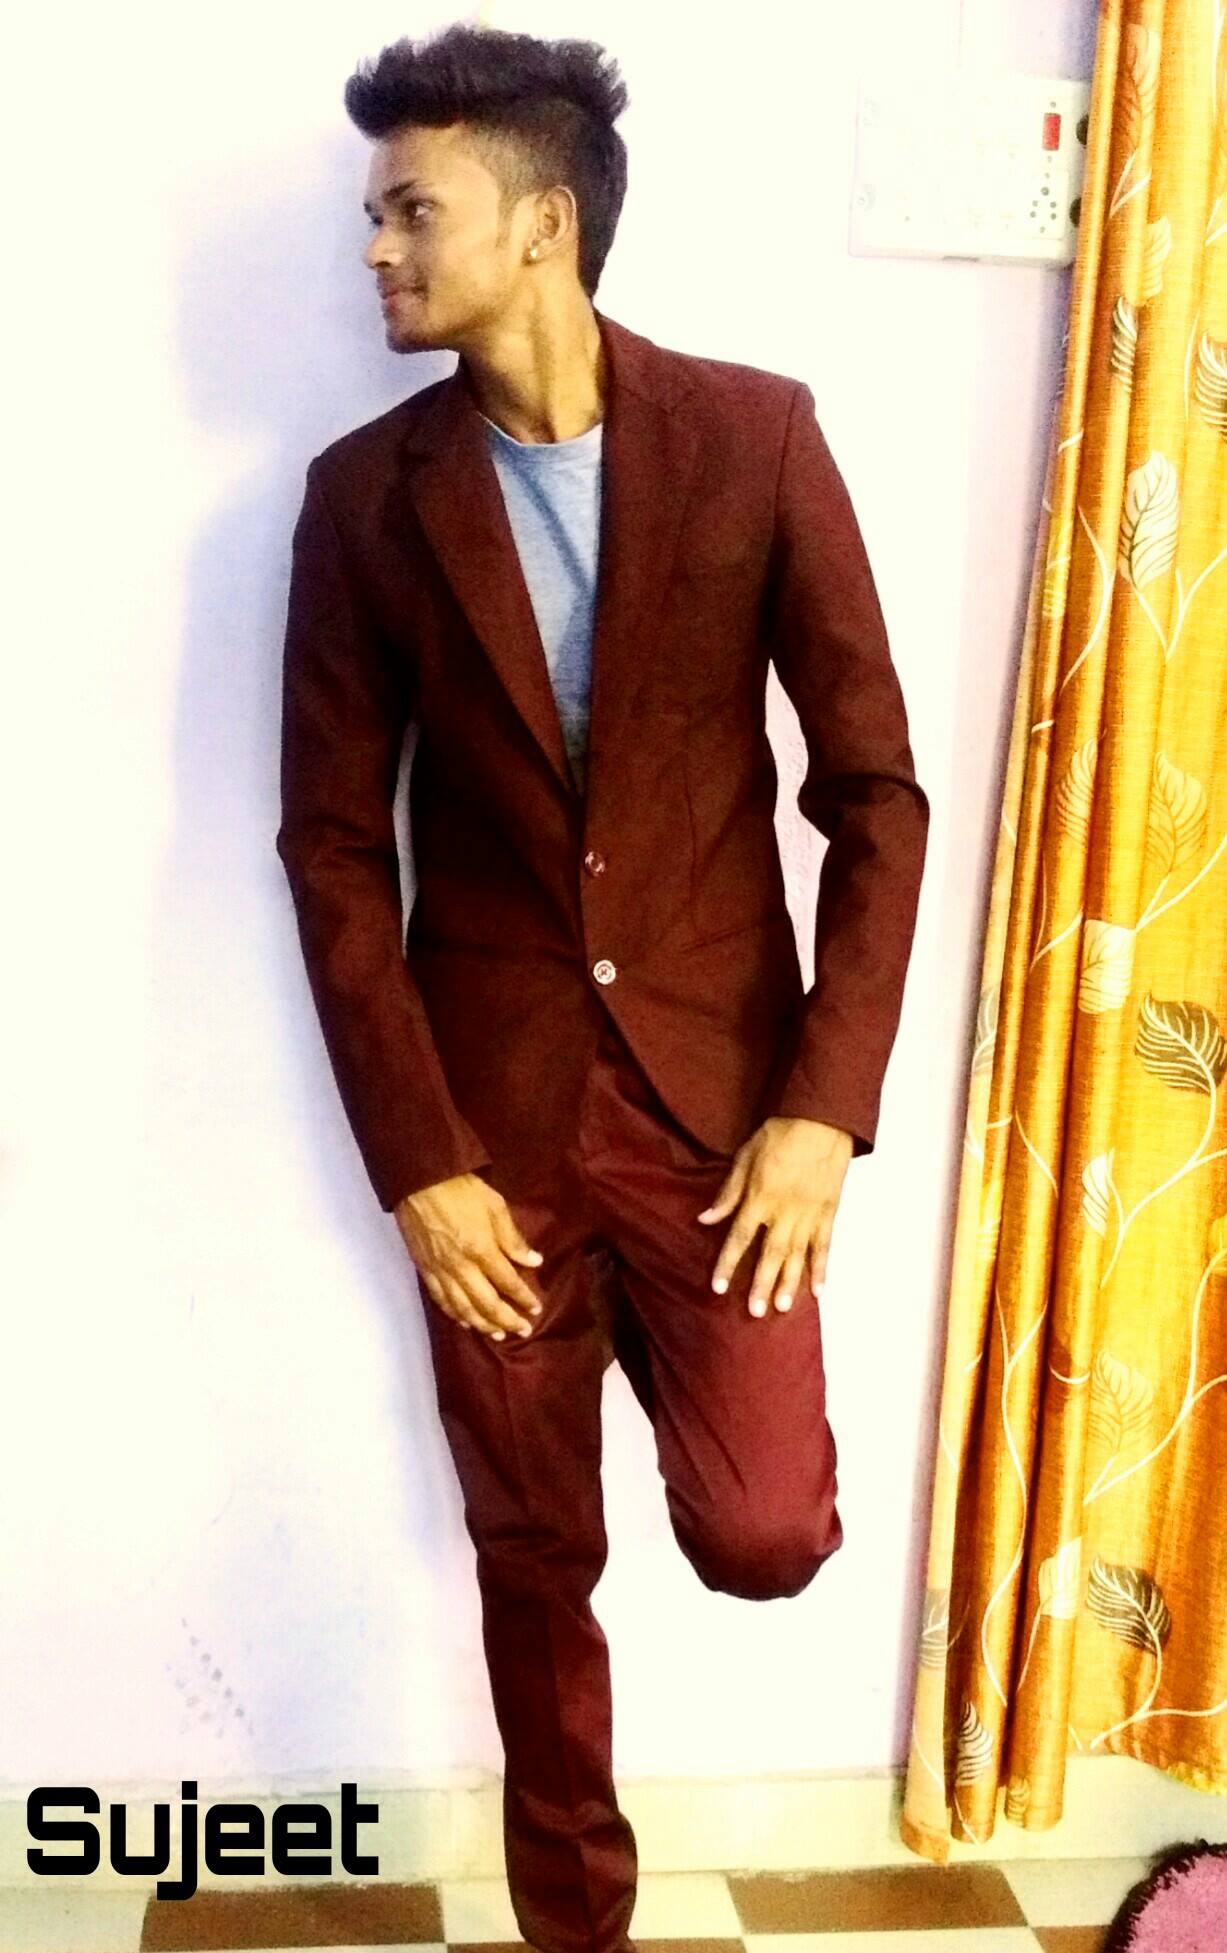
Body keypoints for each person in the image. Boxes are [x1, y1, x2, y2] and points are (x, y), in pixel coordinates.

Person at [276, 23, 929, 1953]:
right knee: (533, 1548)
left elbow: (876, 794)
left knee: (766, 1528)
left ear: (542, 225)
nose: (378, 248)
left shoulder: (756, 437)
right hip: (489, 1132)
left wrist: (823, 1109)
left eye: (414, 210)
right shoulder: (365, 498)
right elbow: (333, 848)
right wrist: (421, 1162)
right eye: (376, 213)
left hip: (724, 1115)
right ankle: (582, 1923)